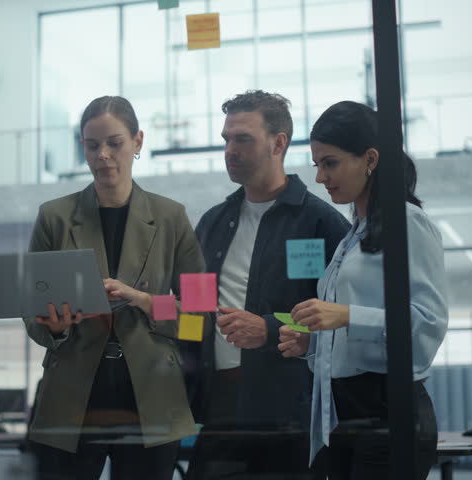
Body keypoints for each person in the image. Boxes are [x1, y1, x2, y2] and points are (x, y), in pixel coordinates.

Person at [24, 95, 204, 480]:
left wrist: (143, 301)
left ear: (138, 142)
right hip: (72, 393)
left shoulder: (173, 217)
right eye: (92, 145)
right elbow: (32, 315)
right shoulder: (53, 217)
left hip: (153, 394)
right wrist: (54, 326)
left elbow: (200, 317)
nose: (103, 155)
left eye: (115, 143)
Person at [185, 90, 350, 479]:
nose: (230, 149)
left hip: (288, 412)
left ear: (279, 143)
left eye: (243, 138)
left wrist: (271, 329)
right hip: (219, 406)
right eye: (226, 139)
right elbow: (192, 311)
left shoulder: (321, 224)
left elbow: (344, 327)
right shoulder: (211, 223)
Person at [278, 100, 448, 479]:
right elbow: (357, 336)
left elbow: (428, 325)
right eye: (317, 165)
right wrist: (313, 344)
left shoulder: (409, 223)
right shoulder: (354, 235)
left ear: (370, 159)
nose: (321, 178)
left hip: (389, 410)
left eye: (330, 163)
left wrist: (347, 316)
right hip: (345, 413)